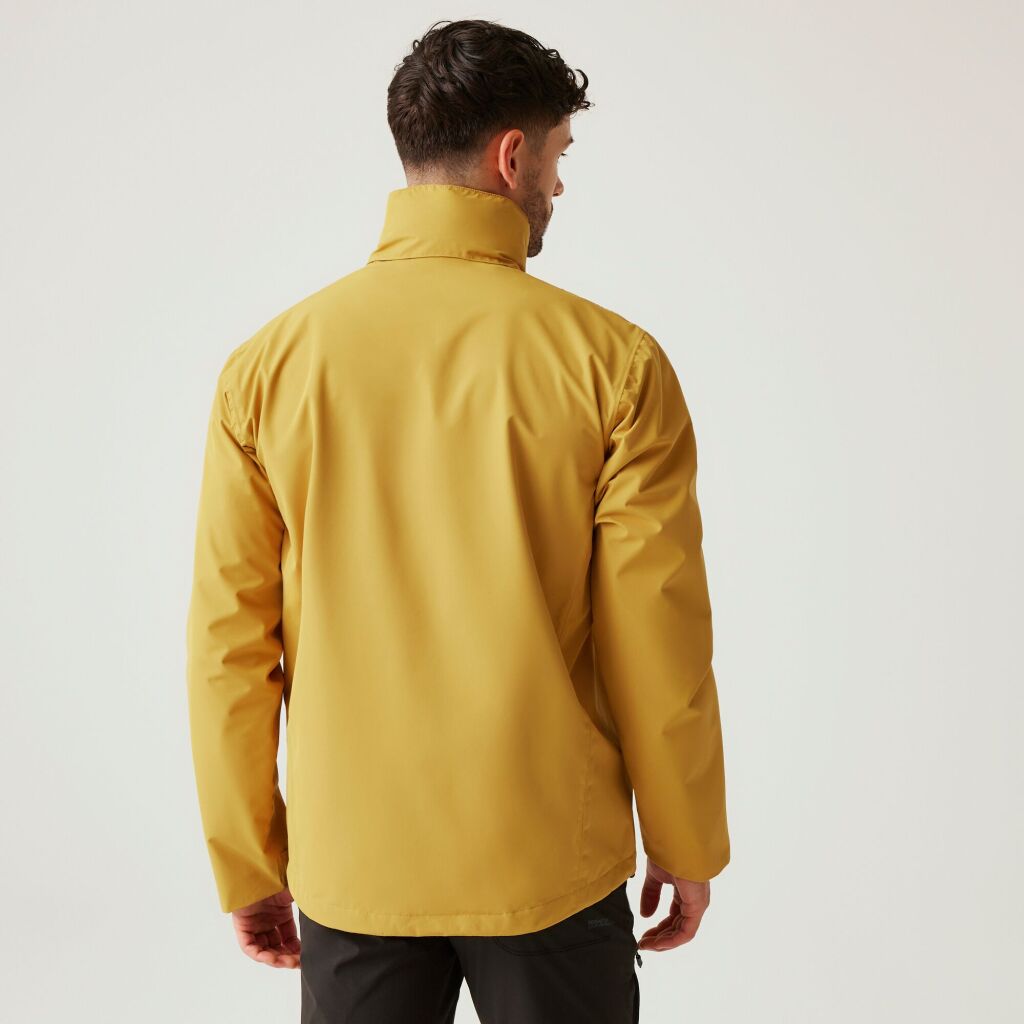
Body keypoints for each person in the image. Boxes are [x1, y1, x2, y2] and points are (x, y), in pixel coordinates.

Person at [185, 17, 730, 1023]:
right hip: (549, 856)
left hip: (355, 863)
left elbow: (230, 642)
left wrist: (248, 860)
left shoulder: (268, 368)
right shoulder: (613, 364)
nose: (558, 184)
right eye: (559, 155)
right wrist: (686, 841)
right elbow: (655, 633)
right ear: (511, 156)